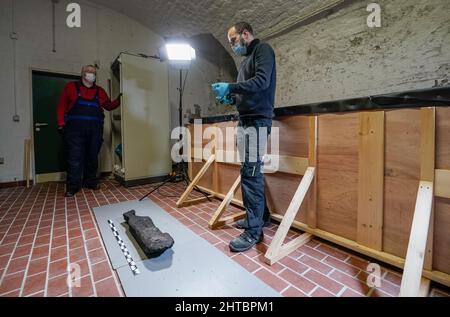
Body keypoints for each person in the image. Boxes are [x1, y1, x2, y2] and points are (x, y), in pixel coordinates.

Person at [211, 22, 276, 252]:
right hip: (247, 120)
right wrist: (232, 98)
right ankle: (260, 217)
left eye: (233, 41)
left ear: (245, 34)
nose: (232, 46)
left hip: (257, 121)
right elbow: (246, 91)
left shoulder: (263, 50)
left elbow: (261, 82)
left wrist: (230, 87)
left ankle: (254, 232)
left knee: (251, 172)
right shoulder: (245, 62)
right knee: (249, 170)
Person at [57, 65, 122, 197]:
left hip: (94, 130)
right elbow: (62, 105)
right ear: (82, 73)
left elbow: (108, 106)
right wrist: (60, 124)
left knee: (92, 157)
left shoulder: (100, 91)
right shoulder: (71, 87)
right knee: (74, 158)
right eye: (89, 72)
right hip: (74, 130)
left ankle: (90, 182)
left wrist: (119, 100)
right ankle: (73, 186)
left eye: (93, 72)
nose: (91, 74)